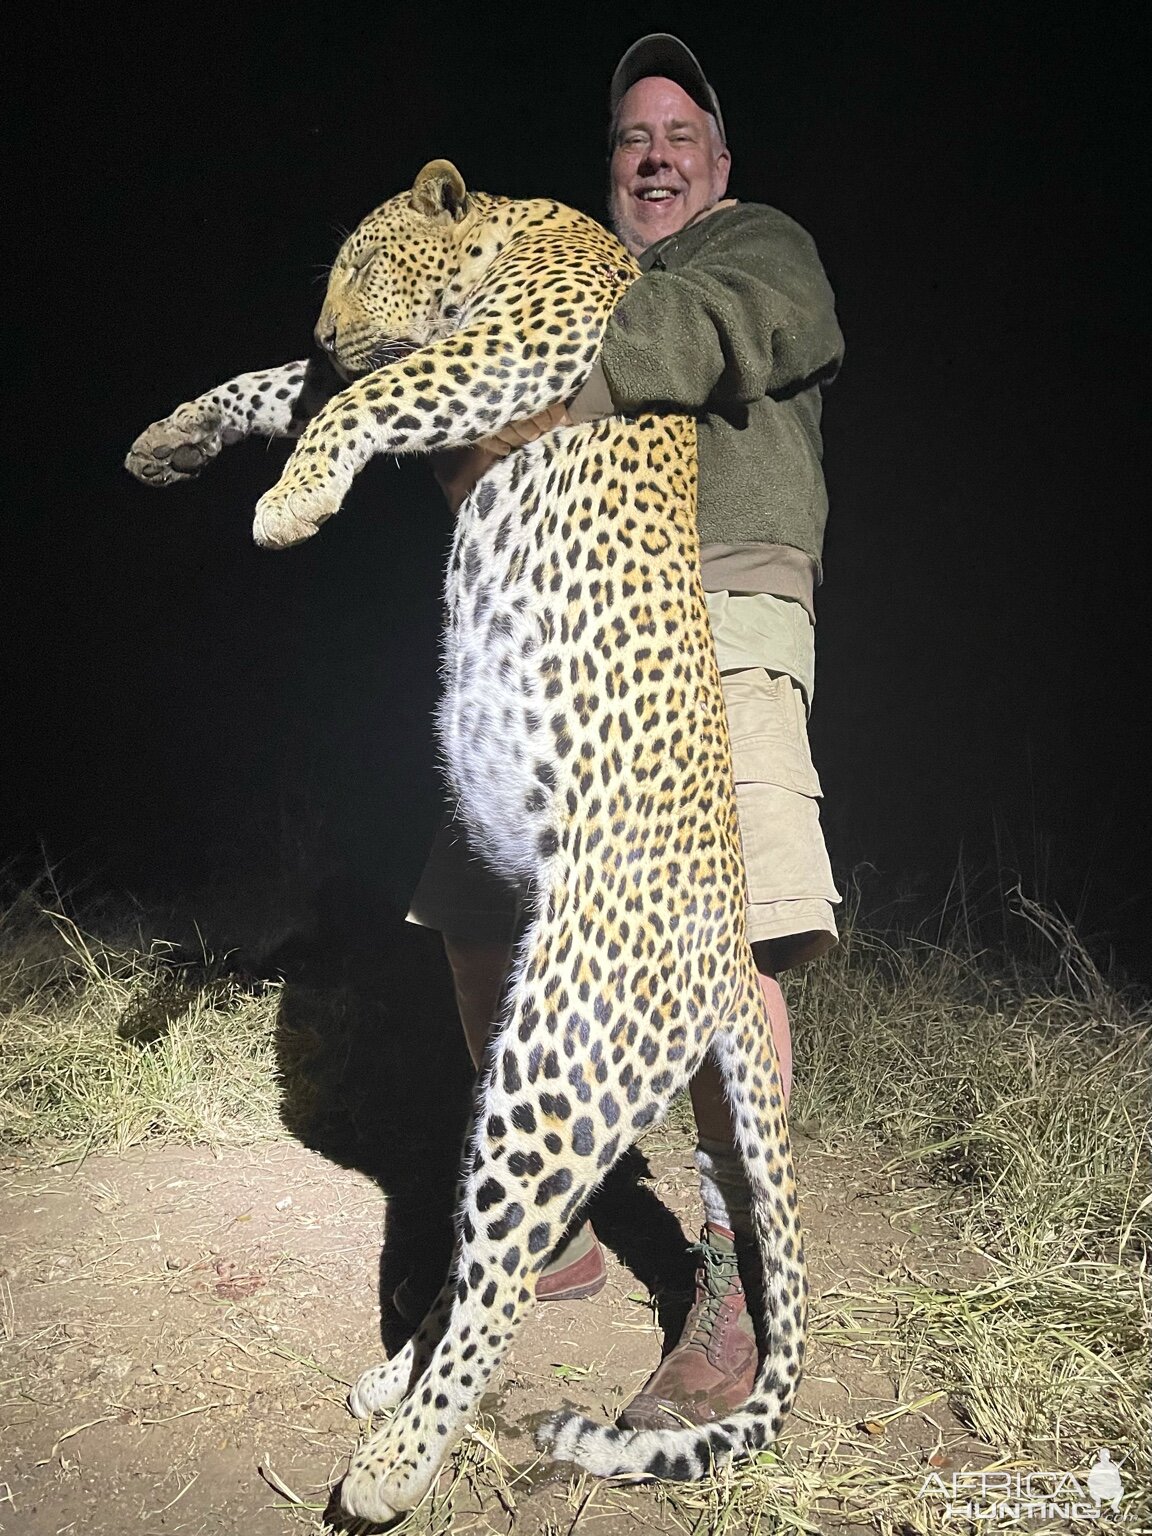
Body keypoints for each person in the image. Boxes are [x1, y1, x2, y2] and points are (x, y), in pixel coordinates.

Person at [409, 33, 844, 1430]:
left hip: (718, 607)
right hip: (568, 633)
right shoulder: (569, 275)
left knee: (733, 943)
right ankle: (557, 1218)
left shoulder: (762, 247)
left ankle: (737, 1272)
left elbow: (727, 332)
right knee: (479, 910)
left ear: (718, 161)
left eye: (678, 133)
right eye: (628, 137)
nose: (652, 153)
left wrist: (553, 379)